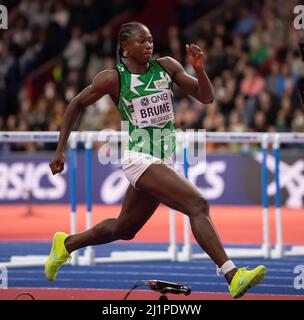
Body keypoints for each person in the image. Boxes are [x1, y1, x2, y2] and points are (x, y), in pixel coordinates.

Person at [45, 22, 266, 298]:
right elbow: (75, 103)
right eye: (141, 41)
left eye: (150, 40)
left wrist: (199, 69)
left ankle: (65, 244)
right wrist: (59, 149)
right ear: (125, 47)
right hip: (139, 157)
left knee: (124, 229)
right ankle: (232, 275)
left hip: (161, 158)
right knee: (198, 204)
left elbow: (206, 97)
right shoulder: (114, 78)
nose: (149, 45)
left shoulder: (167, 67)